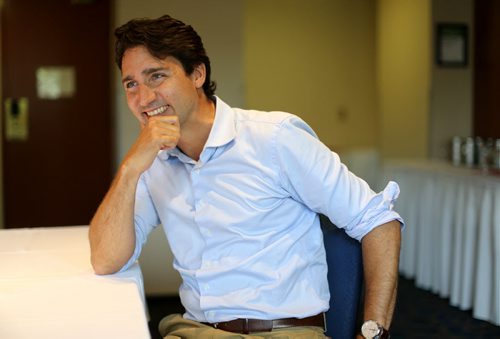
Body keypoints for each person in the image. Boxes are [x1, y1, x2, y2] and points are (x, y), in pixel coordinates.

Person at [89, 14, 403, 339]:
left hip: (281, 332)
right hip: (193, 330)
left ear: (197, 73)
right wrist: (129, 169)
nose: (143, 98)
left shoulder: (274, 139)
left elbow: (378, 220)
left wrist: (372, 333)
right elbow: (105, 260)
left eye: (156, 76)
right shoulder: (152, 160)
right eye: (131, 84)